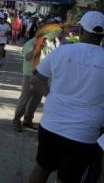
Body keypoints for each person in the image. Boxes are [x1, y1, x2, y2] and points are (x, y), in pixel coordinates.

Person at [27, 11, 104, 183]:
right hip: (85, 133)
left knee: (42, 168)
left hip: (52, 125)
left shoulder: (62, 51)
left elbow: (35, 79)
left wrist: (51, 95)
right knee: (69, 178)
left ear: (81, 29)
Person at [12, 37, 36, 132]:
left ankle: (28, 120)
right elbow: (27, 57)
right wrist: (36, 49)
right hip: (29, 75)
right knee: (25, 99)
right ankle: (16, 120)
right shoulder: (30, 43)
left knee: (35, 100)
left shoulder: (51, 43)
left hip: (42, 77)